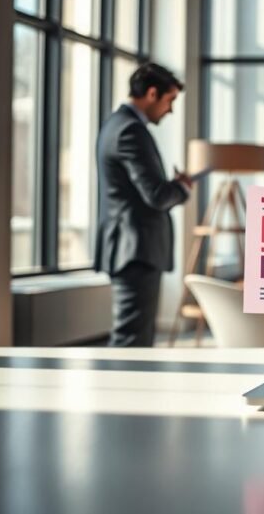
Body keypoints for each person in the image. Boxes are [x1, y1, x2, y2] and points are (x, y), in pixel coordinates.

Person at [95, 63, 191, 347]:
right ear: (152, 93)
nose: (170, 110)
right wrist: (182, 188)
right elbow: (157, 195)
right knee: (131, 341)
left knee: (134, 337)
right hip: (135, 250)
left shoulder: (117, 124)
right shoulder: (130, 131)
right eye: (169, 100)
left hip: (131, 248)